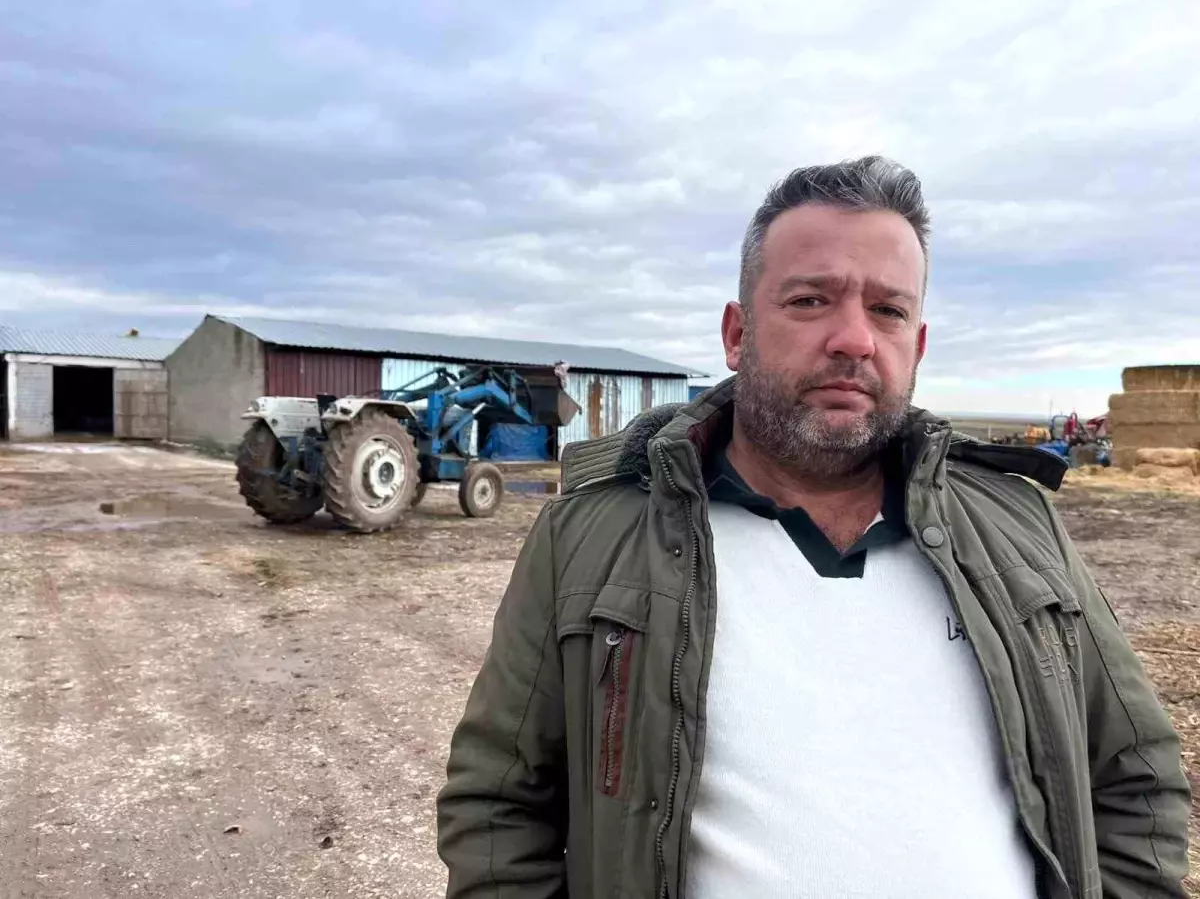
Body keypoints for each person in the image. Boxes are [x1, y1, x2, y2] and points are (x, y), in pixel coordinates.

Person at [436, 156, 1191, 898]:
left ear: (918, 346)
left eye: (888, 311)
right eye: (810, 300)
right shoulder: (591, 537)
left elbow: (1135, 774)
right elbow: (499, 808)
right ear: (737, 333)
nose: (855, 339)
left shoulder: (1018, 524)